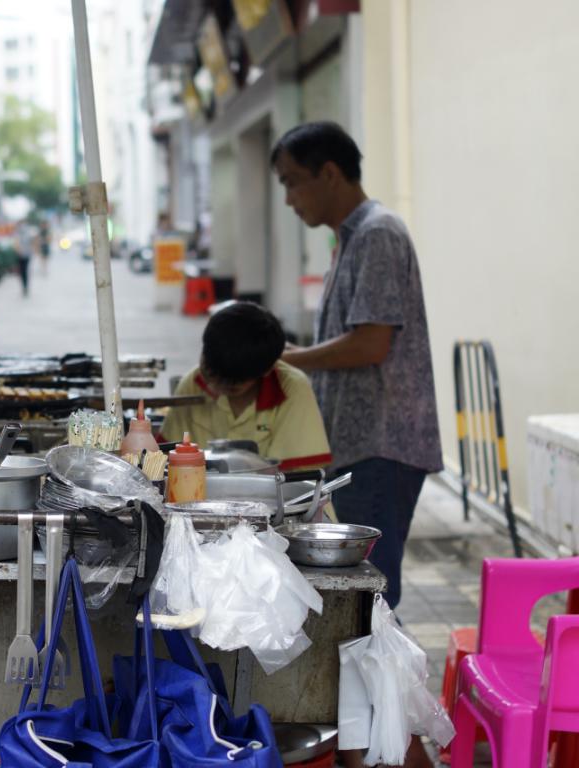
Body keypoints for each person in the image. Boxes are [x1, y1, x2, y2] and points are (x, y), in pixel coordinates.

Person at [273, 123, 442, 606]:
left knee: (369, 600)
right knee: (361, 597)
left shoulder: (377, 233)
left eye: (291, 181)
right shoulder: (350, 238)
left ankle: (391, 683)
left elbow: (370, 345)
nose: (288, 199)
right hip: (358, 445)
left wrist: (290, 358)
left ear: (329, 173)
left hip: (380, 446)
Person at [161, 302, 331, 471]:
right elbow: (161, 459)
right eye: (209, 374)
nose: (213, 387)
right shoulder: (194, 382)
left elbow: (302, 478)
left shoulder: (291, 389)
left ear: (267, 370)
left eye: (232, 387)